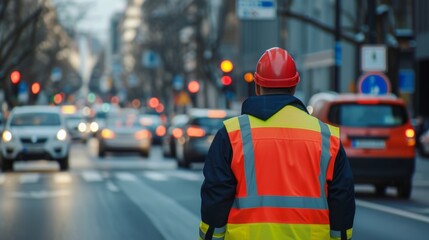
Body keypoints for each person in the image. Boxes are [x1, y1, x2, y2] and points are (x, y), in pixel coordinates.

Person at [199, 47, 355, 240]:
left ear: (257, 86)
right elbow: (342, 202)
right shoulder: (326, 138)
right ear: (294, 86)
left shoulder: (231, 135)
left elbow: (215, 199)